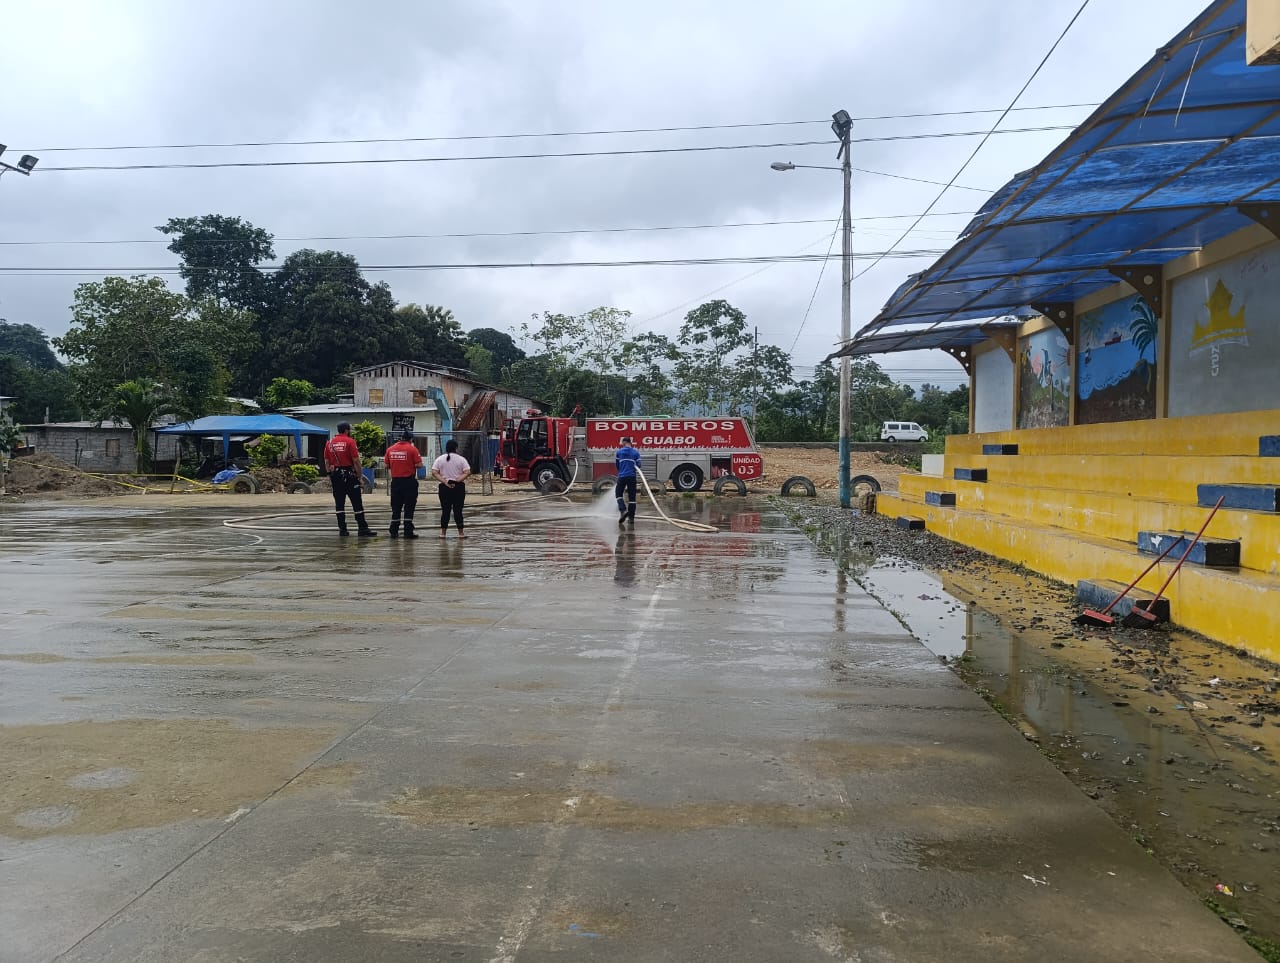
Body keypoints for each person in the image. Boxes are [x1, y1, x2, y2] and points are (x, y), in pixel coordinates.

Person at [323, 422, 377, 537]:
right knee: (357, 502)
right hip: (349, 476)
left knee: (339, 503)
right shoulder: (350, 441)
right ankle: (362, 528)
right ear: (347, 430)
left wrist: (330, 475)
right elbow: (356, 461)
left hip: (336, 475)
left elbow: (326, 462)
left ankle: (342, 529)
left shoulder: (329, 443)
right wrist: (360, 477)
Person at [384, 428, 424, 539]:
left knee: (396, 507)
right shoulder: (412, 449)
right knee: (409, 507)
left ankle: (394, 531)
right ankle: (408, 531)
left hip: (396, 482)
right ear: (410, 439)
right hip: (408, 482)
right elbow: (420, 465)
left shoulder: (390, 449)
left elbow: (386, 466)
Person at [431, 439, 472, 540]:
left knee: (445, 510)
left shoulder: (440, 459)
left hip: (444, 487)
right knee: (458, 511)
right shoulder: (461, 459)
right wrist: (458, 480)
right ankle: (461, 533)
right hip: (458, 487)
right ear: (456, 448)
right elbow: (467, 471)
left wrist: (444, 481)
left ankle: (443, 533)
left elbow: (434, 472)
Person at [614, 435, 641, 526]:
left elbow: (617, 466)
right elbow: (639, 465)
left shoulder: (619, 452)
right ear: (630, 443)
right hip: (632, 477)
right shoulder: (636, 452)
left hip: (622, 476)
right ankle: (631, 518)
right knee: (632, 498)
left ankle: (623, 510)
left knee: (618, 494)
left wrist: (622, 469)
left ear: (624, 443)